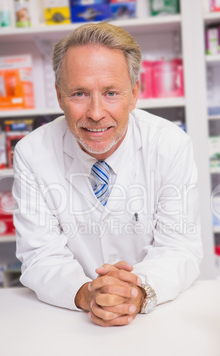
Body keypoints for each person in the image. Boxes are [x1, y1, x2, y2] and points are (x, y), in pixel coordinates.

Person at [13, 22, 203, 327]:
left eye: (111, 92)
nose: (96, 112)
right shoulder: (32, 153)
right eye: (79, 93)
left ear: (135, 93)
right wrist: (88, 294)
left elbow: (179, 246)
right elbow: (40, 254)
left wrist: (136, 292)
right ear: (60, 96)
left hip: (158, 318)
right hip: (71, 322)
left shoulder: (170, 144)